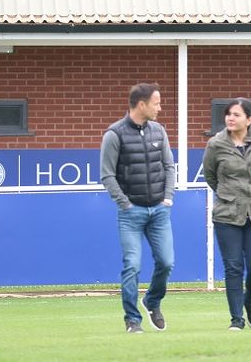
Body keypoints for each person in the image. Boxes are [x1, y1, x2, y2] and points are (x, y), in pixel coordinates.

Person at [100, 83, 176, 334]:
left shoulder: (159, 131)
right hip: (130, 213)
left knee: (166, 262)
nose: (160, 108)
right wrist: (125, 203)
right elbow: (107, 175)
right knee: (132, 265)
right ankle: (133, 321)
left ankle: (152, 301)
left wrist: (167, 197)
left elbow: (169, 167)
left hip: (159, 210)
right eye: (157, 103)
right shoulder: (114, 134)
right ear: (142, 105)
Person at [203, 98, 251, 331]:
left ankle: (250, 301)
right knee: (233, 267)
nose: (230, 118)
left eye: (236, 114)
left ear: (249, 120)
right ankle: (236, 319)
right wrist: (229, 195)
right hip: (226, 213)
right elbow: (211, 177)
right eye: (228, 114)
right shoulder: (215, 144)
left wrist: (250, 195)